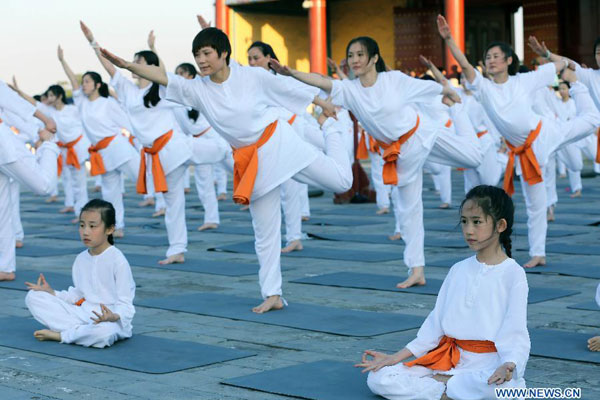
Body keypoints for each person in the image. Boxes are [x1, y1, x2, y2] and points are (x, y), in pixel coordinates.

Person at [99, 27, 352, 313]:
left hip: (280, 143)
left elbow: (289, 90)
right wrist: (125, 65)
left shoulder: (252, 76)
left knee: (342, 182)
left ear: (223, 53)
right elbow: (162, 77)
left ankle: (333, 130)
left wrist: (323, 106)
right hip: (252, 163)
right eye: (197, 55)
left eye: (206, 53)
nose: (201, 60)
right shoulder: (196, 89)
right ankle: (273, 294)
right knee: (264, 231)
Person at [271, 35, 482, 288]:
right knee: (408, 210)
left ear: (373, 58)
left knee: (474, 157)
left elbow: (427, 88)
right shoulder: (349, 90)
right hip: (399, 154)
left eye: (360, 55)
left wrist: (447, 91)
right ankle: (416, 270)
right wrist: (291, 72)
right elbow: (322, 81)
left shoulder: (393, 80)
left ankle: (458, 112)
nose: (355, 60)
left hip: (421, 134)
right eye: (351, 56)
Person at [438, 15, 600, 268]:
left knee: (591, 120)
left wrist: (548, 54)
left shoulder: (524, 80)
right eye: (487, 57)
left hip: (544, 133)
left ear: (508, 60)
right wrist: (449, 39)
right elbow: (467, 68)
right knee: (535, 202)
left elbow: (562, 66)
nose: (490, 60)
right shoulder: (484, 88)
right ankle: (538, 253)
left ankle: (579, 88)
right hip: (523, 151)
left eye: (495, 56)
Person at [356, 185, 529, 400]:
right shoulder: (458, 269)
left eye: (477, 222)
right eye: (464, 221)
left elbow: (516, 330)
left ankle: (444, 388)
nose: (468, 230)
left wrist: (509, 364)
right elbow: (434, 325)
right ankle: (448, 390)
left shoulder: (513, 273)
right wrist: (395, 357)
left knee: (506, 390)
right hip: (447, 360)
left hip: (487, 365)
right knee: (379, 377)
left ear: (500, 225)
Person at [80, 22, 192, 264]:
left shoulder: (161, 90)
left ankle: (177, 249)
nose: (133, 65)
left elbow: (163, 75)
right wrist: (93, 42)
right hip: (152, 153)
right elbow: (109, 67)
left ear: (149, 66)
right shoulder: (128, 90)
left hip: (172, 149)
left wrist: (154, 49)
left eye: (138, 61)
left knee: (174, 203)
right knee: (168, 200)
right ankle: (176, 248)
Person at [25, 199, 135, 348]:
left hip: (109, 320)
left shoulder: (118, 260)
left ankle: (62, 335)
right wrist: (52, 293)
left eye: (92, 226)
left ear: (109, 229)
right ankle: (80, 332)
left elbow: (126, 303)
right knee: (33, 296)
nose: (85, 232)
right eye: (82, 225)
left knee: (104, 332)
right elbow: (79, 295)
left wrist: (114, 316)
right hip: (83, 313)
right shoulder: (81, 258)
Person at [58, 45, 139, 239]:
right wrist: (62, 61)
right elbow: (73, 82)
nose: (83, 84)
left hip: (120, 148)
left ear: (97, 85)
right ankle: (117, 227)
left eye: (87, 81)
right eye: (83, 81)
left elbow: (129, 123)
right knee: (111, 194)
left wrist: (143, 142)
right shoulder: (83, 103)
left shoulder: (108, 103)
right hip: (102, 154)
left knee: (146, 180)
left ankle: (167, 204)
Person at [0, 80, 58, 281]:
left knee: (44, 186)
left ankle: (49, 145)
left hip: (3, 145)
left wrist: (45, 119)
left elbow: (12, 102)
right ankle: (5, 267)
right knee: (2, 208)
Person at [12, 79, 91, 222]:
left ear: (59, 96)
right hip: (65, 150)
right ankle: (75, 208)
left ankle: (82, 214)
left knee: (80, 183)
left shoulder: (73, 109)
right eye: (48, 96)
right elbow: (34, 104)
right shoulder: (50, 111)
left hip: (77, 149)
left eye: (52, 96)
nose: (49, 99)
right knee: (71, 181)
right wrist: (19, 91)